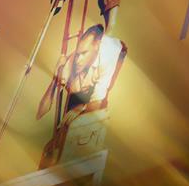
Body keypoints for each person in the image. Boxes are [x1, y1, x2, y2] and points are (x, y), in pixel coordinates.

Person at [37, 25, 127, 166]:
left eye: (84, 54)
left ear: (96, 47)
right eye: (78, 54)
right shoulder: (70, 65)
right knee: (57, 139)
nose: (78, 60)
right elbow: (41, 112)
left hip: (115, 56)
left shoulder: (108, 57)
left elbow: (97, 102)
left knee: (90, 113)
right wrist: (55, 79)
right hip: (82, 85)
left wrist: (81, 108)